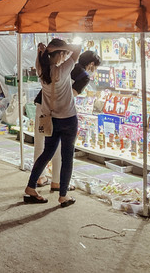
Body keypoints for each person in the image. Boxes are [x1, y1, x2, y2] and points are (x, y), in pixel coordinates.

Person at [32, 49, 101, 190]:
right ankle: (57, 182)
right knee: (57, 148)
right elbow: (70, 95)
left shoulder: (65, 66)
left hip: (42, 104)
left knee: (40, 142)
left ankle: (39, 178)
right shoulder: (84, 75)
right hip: (58, 111)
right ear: (92, 64)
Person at [24, 38, 81, 207]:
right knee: (67, 157)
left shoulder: (42, 69)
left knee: (46, 153)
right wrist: (59, 47)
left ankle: (31, 186)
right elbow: (77, 49)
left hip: (51, 119)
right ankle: (63, 195)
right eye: (63, 53)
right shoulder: (63, 69)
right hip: (68, 118)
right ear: (60, 53)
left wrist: (43, 50)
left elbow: (41, 59)